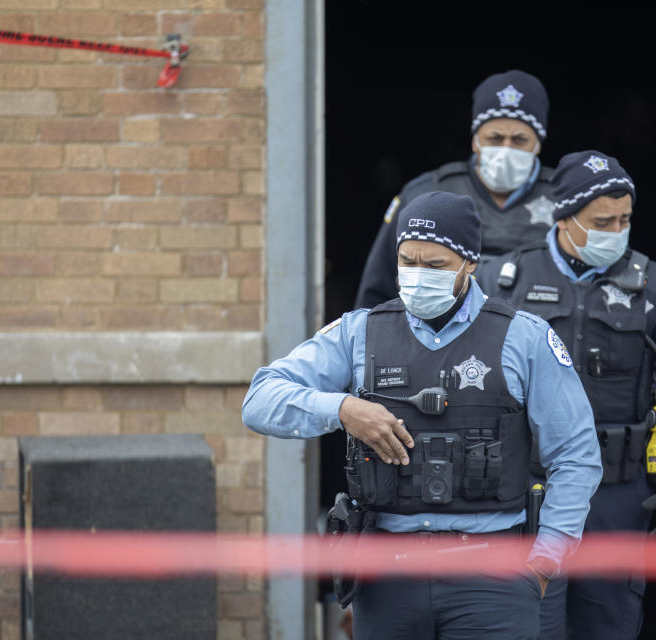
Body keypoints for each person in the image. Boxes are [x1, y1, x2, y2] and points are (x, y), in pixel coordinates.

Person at [243, 191, 603, 640]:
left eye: (434, 266)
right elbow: (259, 400)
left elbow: (576, 454)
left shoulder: (524, 338)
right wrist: (342, 408)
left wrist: (545, 561)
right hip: (390, 577)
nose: (418, 276)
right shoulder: (360, 332)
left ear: (469, 263)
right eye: (408, 262)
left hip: (493, 578)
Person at [476, 151, 656, 639]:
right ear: (564, 217)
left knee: (609, 627)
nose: (615, 230)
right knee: (528, 626)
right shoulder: (502, 283)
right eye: (601, 221)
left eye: (624, 219)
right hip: (530, 493)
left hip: (618, 496)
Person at [354, 69, 558, 309]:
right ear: (475, 140)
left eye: (519, 140)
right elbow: (377, 291)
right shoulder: (425, 193)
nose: (506, 149)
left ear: (538, 143)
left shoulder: (565, 199)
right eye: (495, 138)